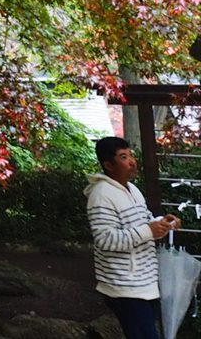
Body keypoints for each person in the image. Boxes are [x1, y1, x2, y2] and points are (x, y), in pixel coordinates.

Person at [87, 136, 182, 339]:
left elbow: (144, 221)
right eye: (123, 157)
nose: (132, 161)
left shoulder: (133, 190)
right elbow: (105, 239)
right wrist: (149, 230)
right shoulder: (101, 194)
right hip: (124, 288)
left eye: (131, 155)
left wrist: (163, 222)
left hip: (144, 283)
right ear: (108, 165)